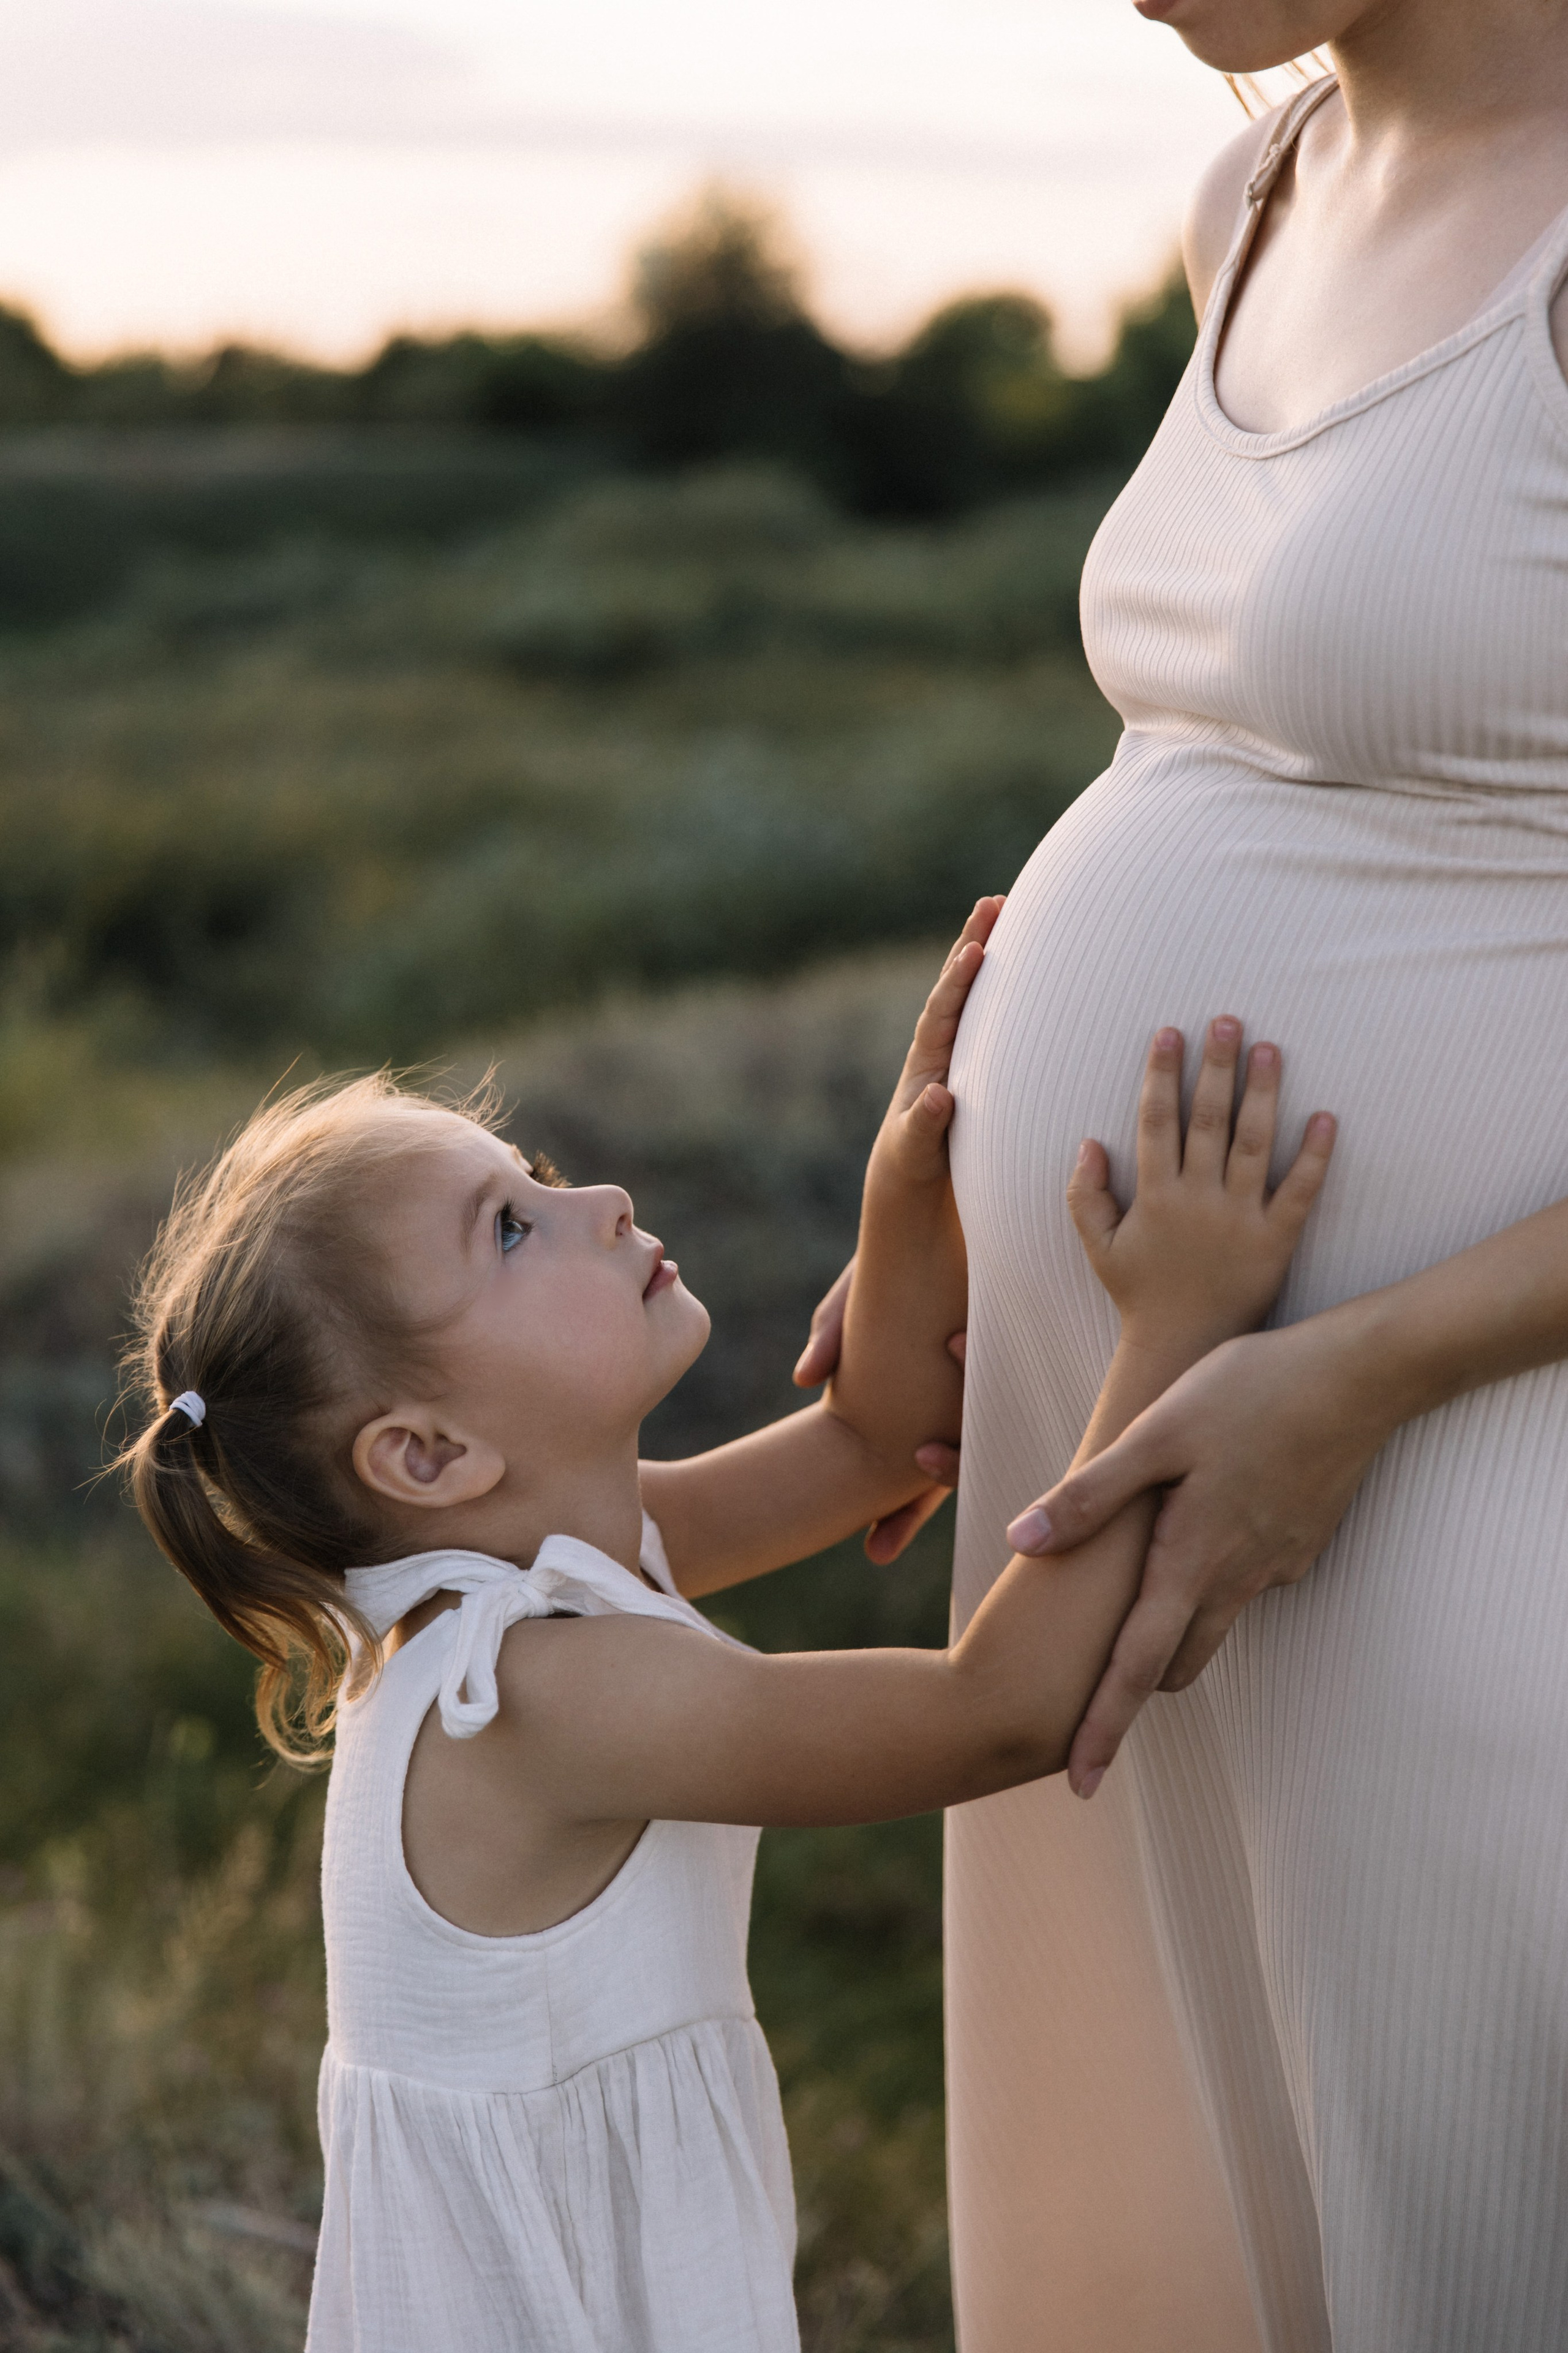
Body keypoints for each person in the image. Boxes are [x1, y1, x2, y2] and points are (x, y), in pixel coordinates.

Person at [800, 5, 1568, 2347]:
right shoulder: (1258, 187)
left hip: (1450, 1424)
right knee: (1199, 2171)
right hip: (1148, 1393)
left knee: (1463, 2165)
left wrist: (1357, 1373)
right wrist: (937, 1204)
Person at [118, 891, 1330, 2353]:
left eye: (540, 1172)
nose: (600, 1201)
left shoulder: (554, 1560)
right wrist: (1172, 1332)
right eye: (511, 1228)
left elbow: (876, 1444)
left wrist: (914, 1174)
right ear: (427, 1455)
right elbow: (994, 1708)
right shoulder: (540, 1697)